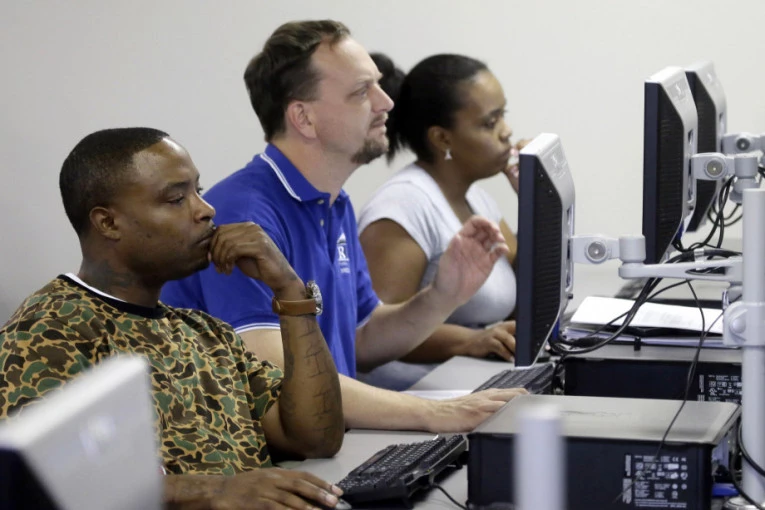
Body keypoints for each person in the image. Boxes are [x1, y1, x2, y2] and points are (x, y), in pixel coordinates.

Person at [161, 20, 526, 431]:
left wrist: (444, 295)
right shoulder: (243, 213)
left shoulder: (334, 202)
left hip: (328, 442)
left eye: (378, 85)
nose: (386, 102)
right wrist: (434, 412)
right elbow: (280, 378)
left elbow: (362, 338)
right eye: (362, 92)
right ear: (304, 118)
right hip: (270, 460)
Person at [0, 127, 347, 510]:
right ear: (108, 223)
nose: (206, 209)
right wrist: (215, 490)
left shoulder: (207, 333)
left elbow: (316, 438)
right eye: (177, 198)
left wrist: (290, 290)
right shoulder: (48, 330)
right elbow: (42, 480)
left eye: (199, 190)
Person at [355, 53, 527, 389]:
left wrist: (537, 200)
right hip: (410, 398)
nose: (506, 132)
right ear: (442, 139)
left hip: (469, 385)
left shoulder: (476, 198)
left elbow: (527, 295)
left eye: (502, 116)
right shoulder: (404, 205)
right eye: (489, 123)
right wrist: (469, 340)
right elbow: (371, 333)